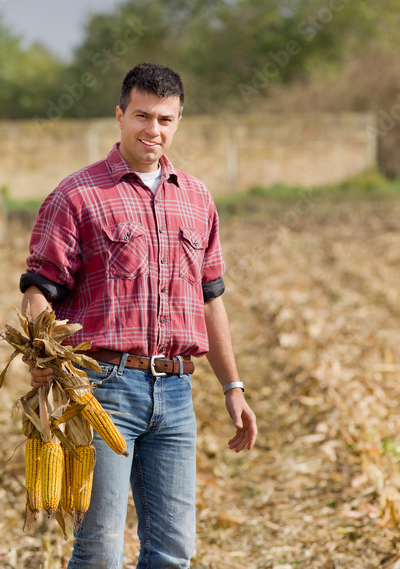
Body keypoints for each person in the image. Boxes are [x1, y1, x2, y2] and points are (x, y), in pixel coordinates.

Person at [20, 62, 257, 568]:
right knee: (100, 548)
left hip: (175, 393)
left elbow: (211, 299)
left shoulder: (197, 199)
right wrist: (40, 353)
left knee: (173, 553)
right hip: (101, 390)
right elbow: (40, 289)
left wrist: (233, 388)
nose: (154, 130)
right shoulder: (77, 196)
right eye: (143, 116)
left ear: (178, 122)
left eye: (166, 119)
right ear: (120, 115)